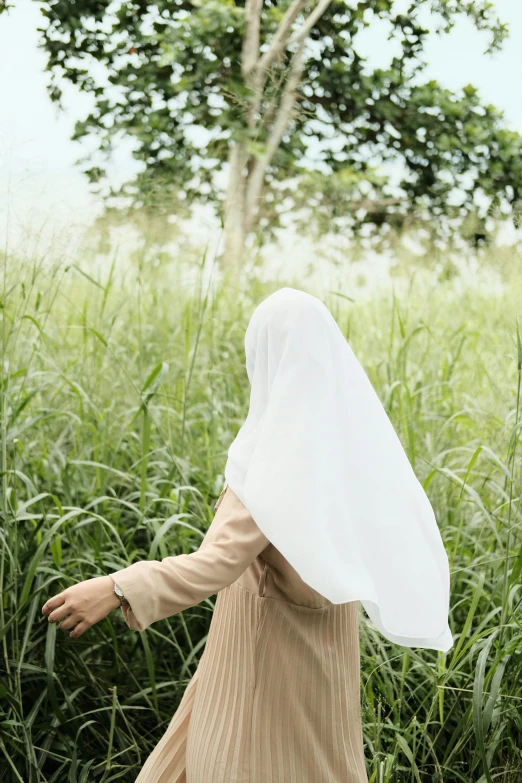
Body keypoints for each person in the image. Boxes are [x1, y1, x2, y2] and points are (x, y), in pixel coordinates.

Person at [42, 286, 453, 782]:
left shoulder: (279, 457)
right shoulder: (346, 447)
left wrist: (115, 587)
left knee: (246, 762)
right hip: (322, 657)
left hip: (265, 657)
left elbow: (217, 562)